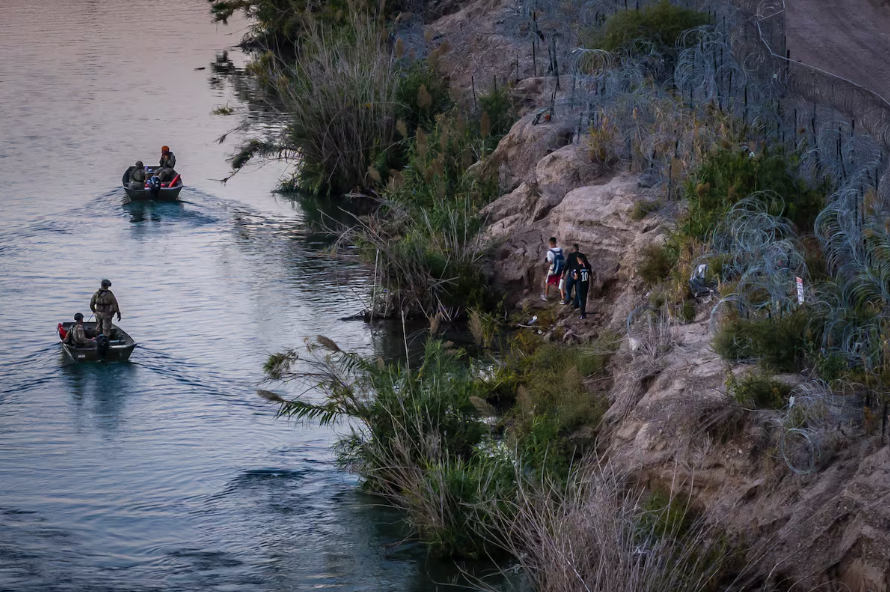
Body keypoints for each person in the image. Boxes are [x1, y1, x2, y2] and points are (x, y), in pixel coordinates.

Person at [540, 237, 565, 301]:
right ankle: (563, 297)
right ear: (555, 242)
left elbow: (550, 261)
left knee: (547, 281)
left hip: (553, 269)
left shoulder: (549, 252)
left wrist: (548, 261)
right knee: (560, 282)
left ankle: (546, 296)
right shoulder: (560, 249)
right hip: (560, 269)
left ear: (551, 243)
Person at [572, 254, 593, 320]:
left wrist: (572, 275)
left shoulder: (577, 267)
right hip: (586, 284)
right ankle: (583, 311)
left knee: (580, 299)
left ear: (578, 259)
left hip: (579, 285)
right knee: (584, 298)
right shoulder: (588, 266)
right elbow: (591, 276)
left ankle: (582, 313)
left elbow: (576, 277)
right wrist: (592, 284)